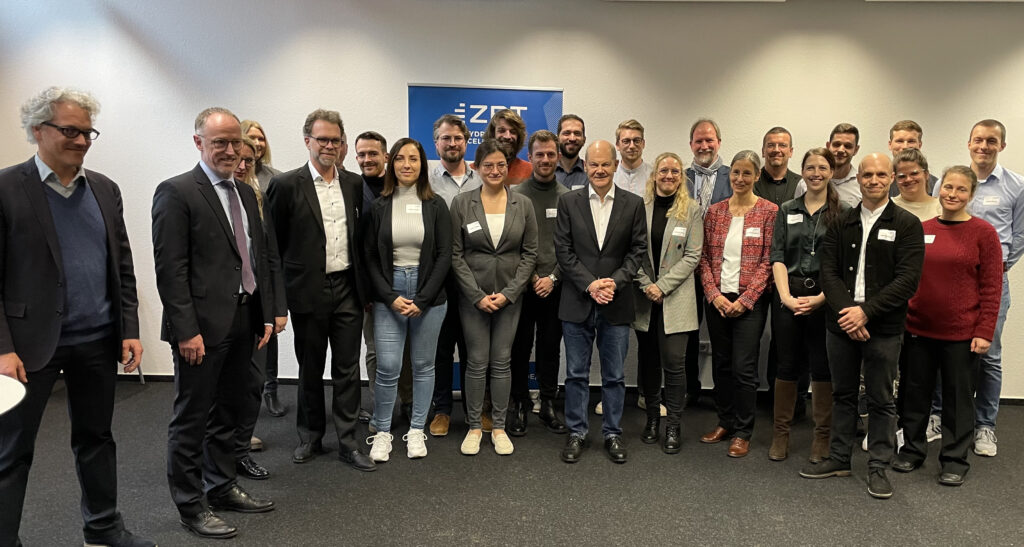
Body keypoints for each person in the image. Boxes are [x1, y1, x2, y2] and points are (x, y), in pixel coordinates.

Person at [0, 87, 152, 547]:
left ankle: (103, 529)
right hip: (27, 346)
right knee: (12, 451)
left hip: (97, 339)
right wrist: (3, 348)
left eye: (88, 132)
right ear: (36, 130)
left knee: (96, 438)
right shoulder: (6, 188)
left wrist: (129, 328)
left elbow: (121, 266)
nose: (82, 140)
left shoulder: (104, 189)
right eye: (70, 130)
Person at [153, 107, 276, 538]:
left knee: (231, 409)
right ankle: (191, 505)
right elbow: (171, 270)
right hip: (200, 329)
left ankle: (222, 485)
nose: (229, 149)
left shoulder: (244, 193)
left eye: (234, 142)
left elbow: (254, 260)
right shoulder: (176, 192)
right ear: (198, 142)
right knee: (192, 418)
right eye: (218, 141)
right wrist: (186, 330)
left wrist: (262, 314)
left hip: (243, 319)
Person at [800, 153, 924, 500]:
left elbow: (907, 280)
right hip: (840, 323)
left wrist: (865, 313)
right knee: (842, 394)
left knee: (883, 399)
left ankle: (879, 467)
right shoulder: (840, 221)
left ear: (892, 178)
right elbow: (829, 272)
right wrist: (848, 313)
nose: (873, 180)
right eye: (867, 174)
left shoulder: (907, 224)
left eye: (880, 174)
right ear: (859, 179)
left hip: (883, 327)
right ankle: (840, 458)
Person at [265, 109, 375, 472]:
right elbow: (274, 248)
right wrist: (279, 301)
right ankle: (310, 436)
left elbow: (362, 240)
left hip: (347, 287)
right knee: (310, 368)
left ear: (343, 145)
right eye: (322, 139)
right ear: (307, 141)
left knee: (347, 368)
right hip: (307, 290)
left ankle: (347, 441)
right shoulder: (285, 185)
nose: (329, 145)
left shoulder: (354, 184)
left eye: (335, 140)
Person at [893, 166, 1002, 486]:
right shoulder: (921, 228)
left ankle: (954, 459)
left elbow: (992, 287)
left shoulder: (983, 233)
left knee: (957, 399)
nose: (953, 194)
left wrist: (984, 331)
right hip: (918, 328)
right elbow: (906, 277)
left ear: (972, 194)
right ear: (938, 189)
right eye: (948, 188)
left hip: (961, 333)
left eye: (961, 190)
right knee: (914, 396)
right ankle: (911, 450)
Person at [930, 119, 1024, 458]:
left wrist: (997, 268)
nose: (983, 146)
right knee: (945, 348)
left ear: (1002, 145)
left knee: (990, 353)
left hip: (992, 281)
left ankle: (986, 425)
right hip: (950, 280)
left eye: (991, 141)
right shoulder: (948, 180)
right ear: (968, 143)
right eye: (978, 140)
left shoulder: (1016, 186)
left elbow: (1020, 234)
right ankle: (938, 415)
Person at [555, 140, 647, 464]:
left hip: (616, 302)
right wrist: (591, 285)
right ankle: (577, 432)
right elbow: (563, 253)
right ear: (586, 164)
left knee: (615, 376)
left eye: (605, 164)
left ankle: (612, 432)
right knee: (577, 374)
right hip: (576, 302)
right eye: (593, 164)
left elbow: (637, 252)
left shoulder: (634, 204)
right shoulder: (568, 202)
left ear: (615, 163)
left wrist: (614, 282)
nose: (599, 170)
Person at [363, 138, 452, 461]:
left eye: (413, 159)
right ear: (391, 163)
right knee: (387, 367)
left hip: (429, 293)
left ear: (422, 164)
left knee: (423, 365)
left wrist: (423, 298)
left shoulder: (436, 205)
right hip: (390, 292)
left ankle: (416, 430)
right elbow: (370, 257)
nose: (406, 165)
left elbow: (444, 256)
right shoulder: (379, 206)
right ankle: (383, 431)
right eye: (400, 159)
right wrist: (389, 296)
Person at [450, 139, 538, 455]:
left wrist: (510, 293)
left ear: (507, 167)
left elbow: (530, 254)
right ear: (477, 168)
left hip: (510, 298)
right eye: (488, 165)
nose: (495, 170)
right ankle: (475, 426)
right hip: (472, 298)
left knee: (502, 362)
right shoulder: (461, 203)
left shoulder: (522, 204)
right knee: (475, 362)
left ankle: (498, 426)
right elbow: (455, 254)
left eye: (500, 164)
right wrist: (476, 295)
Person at [698, 151, 778, 458]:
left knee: (744, 368)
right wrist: (714, 295)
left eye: (747, 173)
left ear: (757, 176)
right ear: (729, 175)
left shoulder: (769, 212)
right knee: (721, 364)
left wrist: (745, 301)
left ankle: (744, 431)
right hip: (717, 300)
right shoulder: (716, 212)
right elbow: (703, 258)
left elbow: (770, 261)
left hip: (749, 303)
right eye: (735, 173)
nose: (740, 179)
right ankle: (725, 421)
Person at [768, 148, 844, 462]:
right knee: (786, 365)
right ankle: (780, 435)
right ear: (803, 171)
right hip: (789, 294)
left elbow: (842, 265)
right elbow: (777, 257)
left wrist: (822, 298)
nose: (816, 173)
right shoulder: (787, 209)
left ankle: (821, 437)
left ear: (832, 172)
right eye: (810, 167)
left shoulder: (843, 212)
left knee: (821, 366)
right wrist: (785, 297)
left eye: (822, 167)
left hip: (825, 297)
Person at [632, 152, 703, 454]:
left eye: (675, 171)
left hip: (676, 299)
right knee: (648, 364)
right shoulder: (640, 207)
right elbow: (631, 251)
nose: (669, 175)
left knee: (674, 366)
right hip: (645, 298)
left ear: (681, 176)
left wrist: (661, 286)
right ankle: (651, 420)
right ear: (655, 174)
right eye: (664, 170)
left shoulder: (692, 210)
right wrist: (647, 285)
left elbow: (693, 255)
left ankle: (672, 424)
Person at [230, 137, 288, 481]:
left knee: (251, 382)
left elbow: (269, 257)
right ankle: (219, 459)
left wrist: (277, 307)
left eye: (248, 160)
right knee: (222, 390)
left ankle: (239, 451)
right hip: (216, 312)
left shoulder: (255, 198)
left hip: (254, 307)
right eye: (236, 158)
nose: (241, 165)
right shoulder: (185, 193)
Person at [509, 130, 570, 436]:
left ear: (557, 157)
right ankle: (519, 404)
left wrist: (553, 278)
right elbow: (512, 242)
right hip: (523, 285)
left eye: (550, 154)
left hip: (556, 286)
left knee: (549, 347)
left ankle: (547, 403)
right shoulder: (516, 195)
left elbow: (572, 245)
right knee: (520, 347)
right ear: (529, 157)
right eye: (539, 154)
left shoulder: (569, 198)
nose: (545, 160)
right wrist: (532, 276)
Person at [354, 131, 414, 427]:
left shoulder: (401, 189)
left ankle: (407, 401)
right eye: (362, 155)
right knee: (376, 351)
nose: (367, 159)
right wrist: (366, 292)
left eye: (373, 154)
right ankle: (382, 408)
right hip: (369, 288)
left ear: (385, 157)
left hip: (404, 282)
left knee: (405, 350)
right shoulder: (351, 188)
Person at [428, 114, 481, 437]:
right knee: (442, 348)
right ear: (437, 144)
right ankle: (443, 410)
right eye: (445, 138)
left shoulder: (481, 179)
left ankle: (479, 409)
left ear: (466, 142)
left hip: (475, 277)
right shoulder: (426, 181)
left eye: (457, 138)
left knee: (475, 347)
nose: (451, 143)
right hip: (439, 277)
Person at [683, 118, 732, 407]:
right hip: (687, 268)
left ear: (718, 143)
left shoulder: (732, 175)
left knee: (721, 333)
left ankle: (723, 395)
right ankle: (690, 389)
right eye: (698, 140)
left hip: (721, 268)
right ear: (691, 144)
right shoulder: (680, 177)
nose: (704, 145)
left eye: (709, 140)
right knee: (688, 332)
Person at [795, 123, 862, 207]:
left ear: (856, 150)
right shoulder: (805, 183)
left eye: (847, 146)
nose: (841, 150)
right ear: (828, 146)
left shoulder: (861, 185)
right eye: (836, 144)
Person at [479, 109, 532, 185]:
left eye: (513, 132)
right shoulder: (475, 170)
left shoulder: (529, 171)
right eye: (502, 130)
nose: (507, 136)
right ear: (492, 134)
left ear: (519, 137)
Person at [887, 120, 938, 197]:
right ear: (890, 145)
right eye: (899, 141)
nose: (905, 146)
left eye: (911, 141)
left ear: (919, 145)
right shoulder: (882, 183)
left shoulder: (934, 185)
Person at [754, 126, 801, 206]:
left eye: (782, 145)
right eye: (771, 145)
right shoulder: (751, 183)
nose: (776, 150)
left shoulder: (801, 184)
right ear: (763, 151)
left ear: (790, 152)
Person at [891, 148, 939, 222]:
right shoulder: (888, 207)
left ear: (926, 174)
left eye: (914, 173)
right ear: (895, 179)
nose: (908, 179)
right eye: (902, 176)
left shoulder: (941, 208)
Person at [613, 119, 653, 196]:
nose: (632, 146)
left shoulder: (654, 175)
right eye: (626, 141)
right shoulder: (610, 176)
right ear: (617, 145)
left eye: (636, 140)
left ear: (643, 144)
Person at [554, 114, 588, 190]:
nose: (572, 138)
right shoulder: (547, 171)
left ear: (584, 140)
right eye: (567, 133)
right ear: (557, 139)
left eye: (577, 133)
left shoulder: (590, 173)